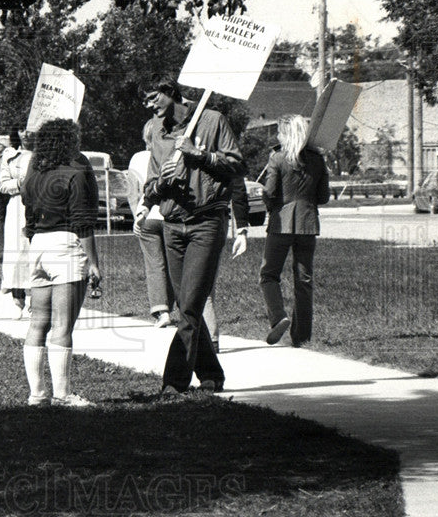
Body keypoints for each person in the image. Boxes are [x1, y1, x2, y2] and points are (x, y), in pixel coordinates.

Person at [134, 75, 245, 395]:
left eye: (153, 97)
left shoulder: (212, 121)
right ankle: (211, 373)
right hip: (172, 224)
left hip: (206, 222)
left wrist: (199, 154)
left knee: (191, 305)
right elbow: (151, 185)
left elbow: (237, 167)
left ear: (171, 93)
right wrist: (160, 183)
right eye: (145, 101)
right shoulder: (155, 130)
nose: (149, 105)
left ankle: (173, 381)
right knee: (187, 306)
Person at [20, 118, 101, 407]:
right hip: (66, 246)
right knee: (63, 326)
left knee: (38, 323)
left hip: (38, 245)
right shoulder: (75, 172)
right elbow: (83, 223)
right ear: (70, 142)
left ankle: (37, 394)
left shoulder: (35, 174)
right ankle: (63, 394)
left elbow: (28, 214)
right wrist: (94, 264)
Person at [259, 114, 330, 347]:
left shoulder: (277, 158)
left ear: (286, 133)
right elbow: (324, 197)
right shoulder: (318, 159)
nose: (277, 136)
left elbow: (269, 192)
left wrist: (269, 205)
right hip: (308, 222)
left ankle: (278, 317)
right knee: (304, 279)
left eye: (279, 132)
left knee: (269, 274)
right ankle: (302, 337)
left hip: (281, 221)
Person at [127, 122, 178, 329]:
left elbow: (133, 193)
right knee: (174, 264)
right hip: (170, 214)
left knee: (154, 265)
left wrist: (136, 216)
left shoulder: (138, 158)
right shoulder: (171, 154)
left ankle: (161, 310)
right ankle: (176, 306)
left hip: (147, 216)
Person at [202, 175, 251, 353]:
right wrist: (242, 230)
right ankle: (208, 338)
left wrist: (242, 230)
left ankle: (210, 340)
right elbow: (239, 191)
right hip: (215, 220)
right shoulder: (226, 155)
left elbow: (238, 191)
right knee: (204, 283)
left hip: (204, 220)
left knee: (201, 284)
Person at [0, 129, 34, 318]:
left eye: (30, 128)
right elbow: (2, 184)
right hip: (17, 206)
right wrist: (20, 183)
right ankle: (17, 300)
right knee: (17, 252)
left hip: (38, 205)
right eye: (22, 129)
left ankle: (36, 301)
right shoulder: (10, 155)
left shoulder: (44, 154)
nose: (27, 133)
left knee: (35, 251)